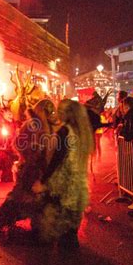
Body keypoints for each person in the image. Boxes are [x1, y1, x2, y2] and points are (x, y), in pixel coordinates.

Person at [0, 99, 58, 234]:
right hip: (32, 168)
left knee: (44, 198)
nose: (51, 113)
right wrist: (32, 152)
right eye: (48, 111)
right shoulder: (30, 125)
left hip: (47, 169)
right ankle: (8, 220)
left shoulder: (53, 126)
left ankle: (41, 226)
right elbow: (18, 144)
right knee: (24, 197)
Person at [35, 99, 95, 248]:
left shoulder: (65, 131)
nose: (58, 113)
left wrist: (43, 180)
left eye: (61, 111)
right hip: (78, 180)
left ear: (69, 114)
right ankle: (71, 242)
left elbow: (57, 158)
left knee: (59, 211)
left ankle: (63, 252)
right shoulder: (83, 130)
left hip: (63, 179)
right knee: (74, 212)